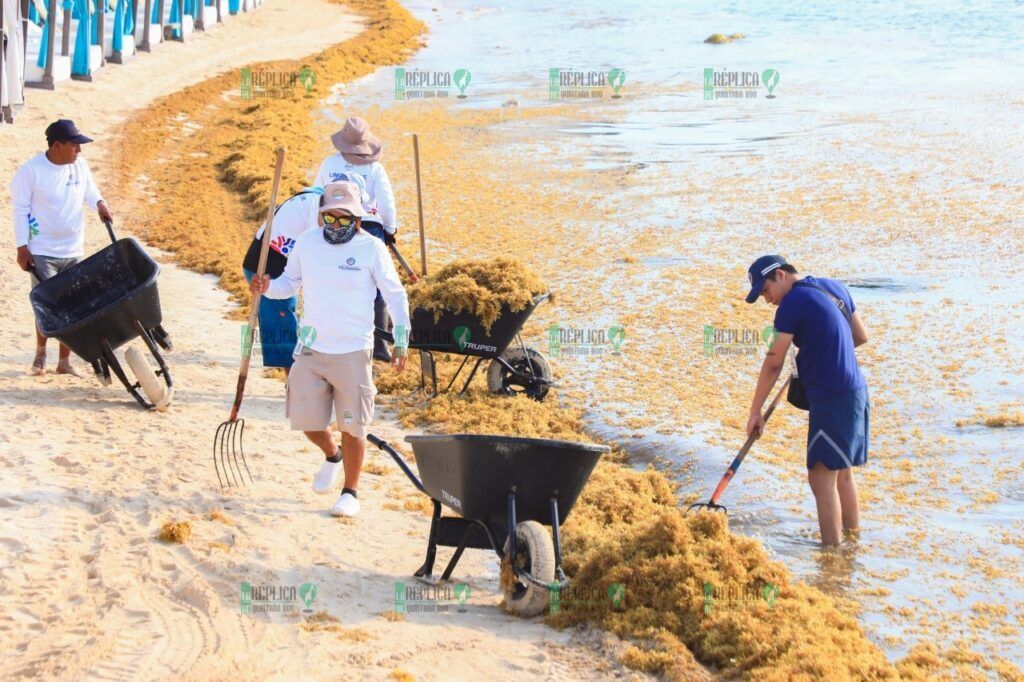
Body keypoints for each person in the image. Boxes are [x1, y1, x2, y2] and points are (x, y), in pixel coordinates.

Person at [249, 181, 410, 518]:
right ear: (321, 216)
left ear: (358, 220)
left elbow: (395, 295)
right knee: (305, 419)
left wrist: (401, 340)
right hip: (310, 349)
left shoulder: (371, 249)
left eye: (345, 220)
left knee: (353, 425)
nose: (336, 226)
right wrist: (267, 287)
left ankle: (350, 492)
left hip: (352, 353)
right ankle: (332, 455)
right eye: (330, 219)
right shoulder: (307, 243)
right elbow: (288, 284)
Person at [743, 255, 869, 546]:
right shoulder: (834, 287)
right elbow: (860, 336)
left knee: (820, 478)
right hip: (856, 391)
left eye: (765, 291)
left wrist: (755, 411)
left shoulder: (792, 304)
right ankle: (852, 549)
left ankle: (831, 557)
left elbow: (773, 363)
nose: (767, 300)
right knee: (842, 475)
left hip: (832, 397)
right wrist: (820, 347)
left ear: (781, 275)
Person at [10, 119, 114, 375]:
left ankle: (64, 362)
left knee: (72, 304)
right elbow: (20, 210)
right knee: (47, 305)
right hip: (42, 250)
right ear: (57, 145)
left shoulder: (79, 166)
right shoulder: (31, 171)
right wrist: (22, 247)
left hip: (72, 249)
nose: (79, 151)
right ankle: (40, 352)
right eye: (74, 145)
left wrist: (100, 203)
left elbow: (90, 190)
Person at [314, 116, 398, 362]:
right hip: (368, 226)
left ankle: (335, 339)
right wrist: (391, 229)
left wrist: (319, 225)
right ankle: (380, 345)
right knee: (378, 283)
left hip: (333, 225)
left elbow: (317, 193)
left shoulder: (329, 164)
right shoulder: (374, 169)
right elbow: (386, 202)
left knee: (339, 279)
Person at [241, 186, 324, 374]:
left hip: (281, 262)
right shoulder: (314, 207)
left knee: (287, 324)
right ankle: (293, 384)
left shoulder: (316, 199)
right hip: (267, 267)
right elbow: (318, 247)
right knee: (284, 328)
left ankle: (296, 379)